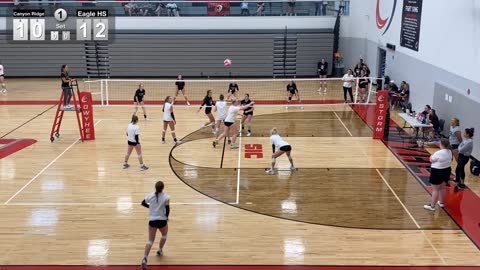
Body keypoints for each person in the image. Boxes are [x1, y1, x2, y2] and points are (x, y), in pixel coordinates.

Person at [140, 181, 170, 270]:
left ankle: (145, 258)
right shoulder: (166, 197)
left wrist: (151, 207)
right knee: (164, 235)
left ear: (155, 187)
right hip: (162, 221)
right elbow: (168, 208)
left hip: (152, 221)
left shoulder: (150, 195)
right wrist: (167, 217)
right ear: (163, 188)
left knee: (150, 241)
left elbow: (143, 203)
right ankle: (160, 250)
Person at [423, 138, 452, 211]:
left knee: (435, 189)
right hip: (447, 170)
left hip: (437, 171)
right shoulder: (449, 151)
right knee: (442, 187)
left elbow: (431, 159)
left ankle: (432, 206)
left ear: (441, 144)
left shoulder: (439, 152)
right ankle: (441, 202)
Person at [454, 128, 474, 192]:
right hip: (461, 156)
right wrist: (459, 148)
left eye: (465, 133)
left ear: (468, 134)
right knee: (458, 169)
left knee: (461, 169)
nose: (464, 134)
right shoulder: (465, 140)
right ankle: (458, 180)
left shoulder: (469, 142)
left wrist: (459, 149)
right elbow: (460, 146)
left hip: (464, 157)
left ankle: (462, 183)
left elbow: (461, 149)